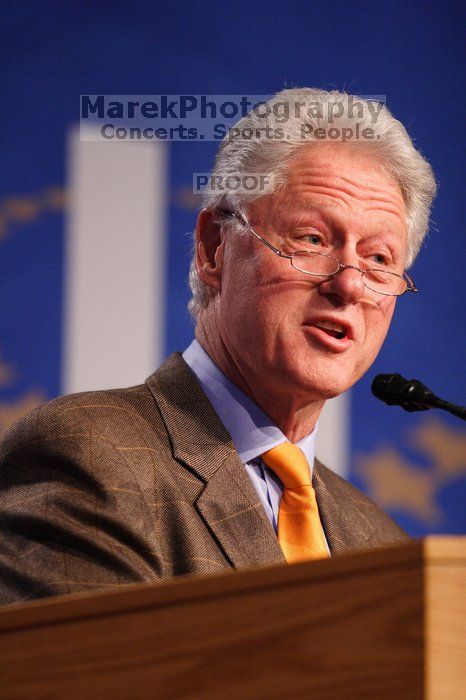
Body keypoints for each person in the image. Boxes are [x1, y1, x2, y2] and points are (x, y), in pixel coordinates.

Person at [0, 88, 436, 605]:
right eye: (313, 240)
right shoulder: (92, 458)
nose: (350, 286)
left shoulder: (379, 541)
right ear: (214, 249)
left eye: (380, 259)